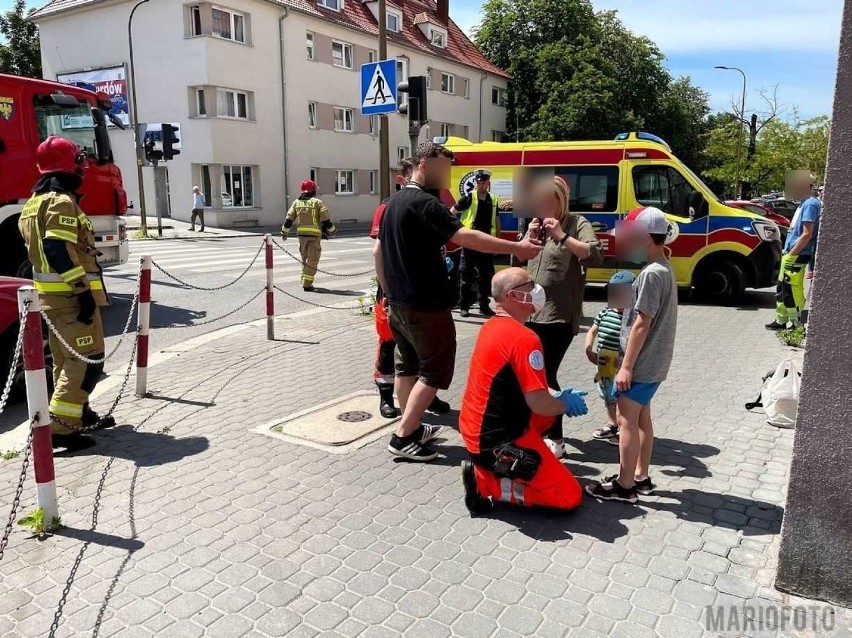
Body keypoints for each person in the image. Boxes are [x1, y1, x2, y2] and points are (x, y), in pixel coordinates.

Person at [375, 141, 543, 461]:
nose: (448, 174)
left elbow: (380, 252)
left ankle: (410, 427)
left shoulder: (393, 202)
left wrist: (387, 293)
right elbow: (465, 237)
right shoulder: (425, 203)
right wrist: (518, 249)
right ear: (424, 164)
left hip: (400, 304)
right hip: (426, 304)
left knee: (407, 366)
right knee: (434, 373)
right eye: (443, 167)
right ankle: (402, 438)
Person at [459, 267, 587, 515]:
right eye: (529, 285)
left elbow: (520, 384)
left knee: (549, 413)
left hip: (476, 429)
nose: (536, 289)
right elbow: (539, 403)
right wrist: (564, 404)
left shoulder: (491, 327)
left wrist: (556, 397)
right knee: (568, 496)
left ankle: (518, 462)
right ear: (513, 296)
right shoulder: (525, 339)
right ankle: (486, 483)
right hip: (493, 440)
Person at [18, 136, 113, 451]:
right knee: (87, 361)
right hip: (70, 300)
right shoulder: (60, 201)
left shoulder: (32, 204)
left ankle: (78, 413)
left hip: (51, 300)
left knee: (65, 361)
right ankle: (62, 429)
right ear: (73, 166)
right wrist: (82, 292)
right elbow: (56, 248)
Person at [586, 207, 678, 503]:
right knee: (642, 422)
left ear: (647, 240)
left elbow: (641, 323)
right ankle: (641, 477)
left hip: (641, 364)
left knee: (626, 422)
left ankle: (625, 486)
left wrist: (625, 368)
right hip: (653, 363)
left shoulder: (652, 274)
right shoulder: (664, 268)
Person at [523, 176, 602, 458]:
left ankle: (555, 437)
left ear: (560, 201)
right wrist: (526, 239)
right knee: (532, 375)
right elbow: (519, 263)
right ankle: (535, 428)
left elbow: (594, 254)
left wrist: (562, 237)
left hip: (558, 317)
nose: (541, 206)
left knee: (545, 375)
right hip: (529, 315)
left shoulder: (575, 223)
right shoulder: (535, 225)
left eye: (547, 201)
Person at [370, 159, 450, 418]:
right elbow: (378, 251)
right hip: (397, 293)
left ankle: (421, 404)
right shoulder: (389, 205)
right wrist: (386, 291)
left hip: (403, 294)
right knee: (390, 348)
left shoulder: (420, 204)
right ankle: (387, 398)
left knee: (415, 354)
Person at [585, 271, 635, 444]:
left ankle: (623, 428)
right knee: (607, 394)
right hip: (604, 362)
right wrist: (588, 349)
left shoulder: (633, 316)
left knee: (621, 396)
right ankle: (612, 423)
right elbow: (592, 331)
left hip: (621, 363)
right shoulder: (605, 311)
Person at [766, 174, 821, 331]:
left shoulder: (810, 204)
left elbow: (807, 233)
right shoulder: (803, 203)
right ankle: (781, 319)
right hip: (792, 252)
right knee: (783, 288)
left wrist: (791, 254)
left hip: (796, 254)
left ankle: (799, 324)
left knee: (793, 290)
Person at [452, 170, 501, 317]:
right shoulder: (468, 197)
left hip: (486, 243)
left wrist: (497, 241)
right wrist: (456, 232)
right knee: (466, 276)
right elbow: (451, 212)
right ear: (476, 183)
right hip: (469, 242)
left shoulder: (493, 199)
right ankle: (464, 306)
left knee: (486, 276)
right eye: (479, 183)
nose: (481, 185)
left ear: (488, 183)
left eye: (484, 183)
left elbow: (497, 220)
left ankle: (484, 306)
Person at [282, 179, 336, 292]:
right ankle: (307, 284)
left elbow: (288, 219)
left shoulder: (296, 202)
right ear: (313, 190)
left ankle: (304, 281)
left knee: (304, 259)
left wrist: (284, 232)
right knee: (312, 260)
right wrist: (332, 231)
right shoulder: (317, 202)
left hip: (301, 236)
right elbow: (326, 221)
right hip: (314, 236)